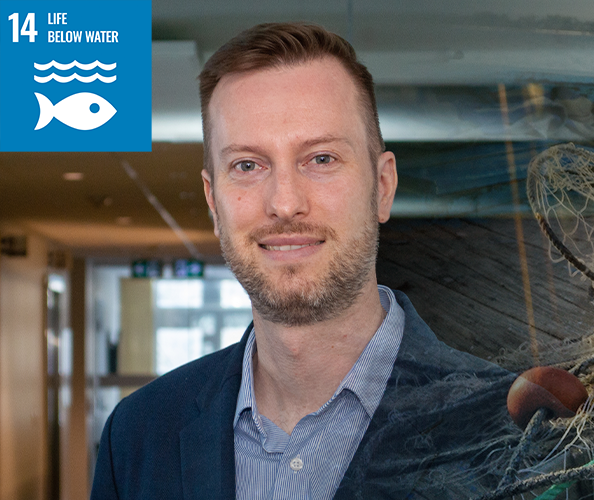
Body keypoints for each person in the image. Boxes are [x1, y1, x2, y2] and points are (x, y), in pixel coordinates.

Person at [91, 22, 517, 499]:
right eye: (248, 166)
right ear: (214, 202)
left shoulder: (516, 430)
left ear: (382, 187)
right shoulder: (139, 437)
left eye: (321, 159)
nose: (285, 202)